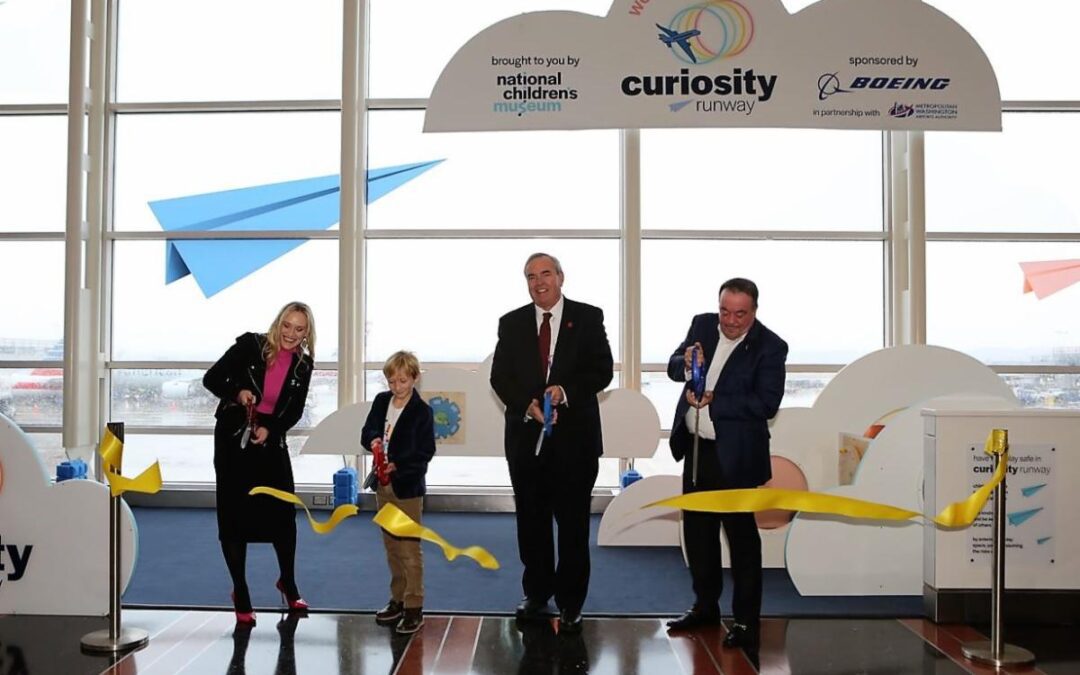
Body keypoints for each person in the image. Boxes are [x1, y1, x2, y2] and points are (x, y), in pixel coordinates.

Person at [490, 252, 614, 634]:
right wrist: (527, 405)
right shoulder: (511, 323)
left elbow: (602, 371)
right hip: (526, 441)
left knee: (573, 526)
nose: (539, 282)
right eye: (531, 276)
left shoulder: (588, 317)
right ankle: (537, 593)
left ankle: (571, 603)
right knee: (532, 523)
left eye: (545, 273)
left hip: (575, 444)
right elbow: (500, 378)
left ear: (561, 277)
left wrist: (564, 391)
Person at [664, 278, 787, 653]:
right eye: (725, 311)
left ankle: (747, 622)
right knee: (698, 536)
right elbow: (673, 367)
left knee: (742, 541)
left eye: (740, 314)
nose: (730, 321)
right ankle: (705, 608)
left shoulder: (770, 346)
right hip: (697, 450)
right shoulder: (702, 325)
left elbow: (766, 403)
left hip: (736, 457)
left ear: (754, 311)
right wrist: (684, 364)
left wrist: (715, 399)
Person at [203, 301, 316, 624]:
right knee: (233, 517)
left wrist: (271, 429)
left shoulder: (304, 365)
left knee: (283, 515)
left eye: (299, 329)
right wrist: (238, 392)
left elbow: (294, 411)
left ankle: (288, 582)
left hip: (270, 440)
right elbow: (211, 379)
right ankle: (240, 591)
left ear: (307, 333)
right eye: (287, 325)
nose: (291, 334)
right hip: (233, 440)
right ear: (278, 323)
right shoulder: (250, 345)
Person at [361, 350, 437, 635]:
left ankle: (414, 606)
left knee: (409, 549)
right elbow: (367, 430)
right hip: (383, 486)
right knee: (392, 546)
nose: (397, 387)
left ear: (414, 379)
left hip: (407, 488)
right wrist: (374, 440)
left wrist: (399, 465)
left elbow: (425, 452)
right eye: (392, 381)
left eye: (402, 381)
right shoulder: (382, 401)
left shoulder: (422, 412)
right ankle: (398, 599)